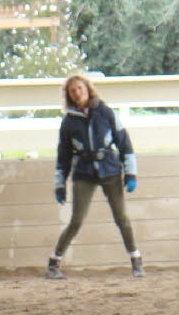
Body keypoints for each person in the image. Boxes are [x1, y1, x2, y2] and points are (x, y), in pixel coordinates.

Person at [46, 74, 145, 280]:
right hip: (84, 173)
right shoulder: (69, 122)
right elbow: (63, 156)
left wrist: (130, 173)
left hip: (109, 170)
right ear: (69, 95)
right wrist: (60, 184)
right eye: (73, 91)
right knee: (76, 221)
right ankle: (54, 263)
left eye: (80, 88)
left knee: (122, 218)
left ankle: (136, 261)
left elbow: (124, 142)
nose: (77, 93)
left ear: (87, 89)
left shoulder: (106, 113)